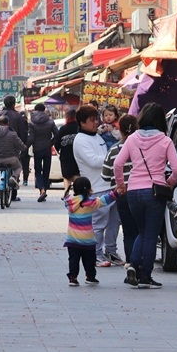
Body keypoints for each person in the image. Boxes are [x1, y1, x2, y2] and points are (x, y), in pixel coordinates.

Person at [113, 102, 177, 289]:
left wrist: (121, 185)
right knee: (150, 235)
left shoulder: (132, 138)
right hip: (155, 192)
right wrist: (170, 182)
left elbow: (118, 164)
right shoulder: (165, 140)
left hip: (133, 191)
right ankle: (145, 276)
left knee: (141, 232)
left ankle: (133, 265)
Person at [73, 105, 121, 267]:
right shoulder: (80, 140)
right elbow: (93, 161)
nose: (96, 123)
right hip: (96, 188)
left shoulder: (98, 136)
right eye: (91, 120)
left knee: (115, 222)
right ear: (81, 123)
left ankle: (111, 250)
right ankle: (96, 254)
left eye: (96, 119)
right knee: (98, 224)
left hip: (110, 185)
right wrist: (114, 158)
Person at [64, 176, 119, 286]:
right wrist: (116, 193)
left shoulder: (69, 201)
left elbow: (66, 197)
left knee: (73, 260)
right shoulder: (90, 203)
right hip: (87, 239)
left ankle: (73, 278)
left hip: (72, 239)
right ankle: (90, 276)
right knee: (89, 259)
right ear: (89, 189)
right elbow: (104, 200)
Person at [102, 114, 138, 263]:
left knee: (128, 232)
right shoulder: (142, 147)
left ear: (120, 130)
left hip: (122, 194)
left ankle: (131, 264)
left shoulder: (114, 149)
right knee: (142, 231)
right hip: (141, 192)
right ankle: (141, 263)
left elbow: (105, 175)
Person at [0, 115, 25, 198]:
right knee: (18, 167)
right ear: (8, 123)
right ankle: (13, 177)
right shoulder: (13, 134)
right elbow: (21, 146)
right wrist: (24, 148)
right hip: (11, 159)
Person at [0, 96, 29, 195]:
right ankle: (13, 194)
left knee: (0, 165)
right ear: (14, 104)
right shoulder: (18, 116)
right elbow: (23, 133)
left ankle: (1, 182)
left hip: (0, 147)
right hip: (14, 147)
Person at [29, 103, 59, 202]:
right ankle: (44, 189)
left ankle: (41, 189)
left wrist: (26, 146)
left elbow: (31, 137)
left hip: (37, 149)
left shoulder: (32, 122)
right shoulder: (50, 122)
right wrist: (51, 142)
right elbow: (57, 134)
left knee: (38, 170)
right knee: (46, 170)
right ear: (44, 110)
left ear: (35, 110)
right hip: (47, 148)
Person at [55, 108, 81, 199]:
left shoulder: (63, 129)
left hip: (65, 154)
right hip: (78, 154)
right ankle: (79, 191)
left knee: (66, 175)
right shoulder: (79, 128)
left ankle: (66, 191)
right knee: (76, 174)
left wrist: (58, 150)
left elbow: (57, 142)